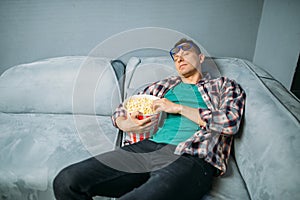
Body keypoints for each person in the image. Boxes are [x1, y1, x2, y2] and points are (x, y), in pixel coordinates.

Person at [53, 38, 246, 200]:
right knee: (66, 181)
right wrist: (126, 123)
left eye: (185, 52)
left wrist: (177, 108)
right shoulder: (163, 86)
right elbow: (123, 108)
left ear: (201, 57)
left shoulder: (223, 86)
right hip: (146, 149)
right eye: (175, 56)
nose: (179, 58)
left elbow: (230, 122)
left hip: (191, 157)